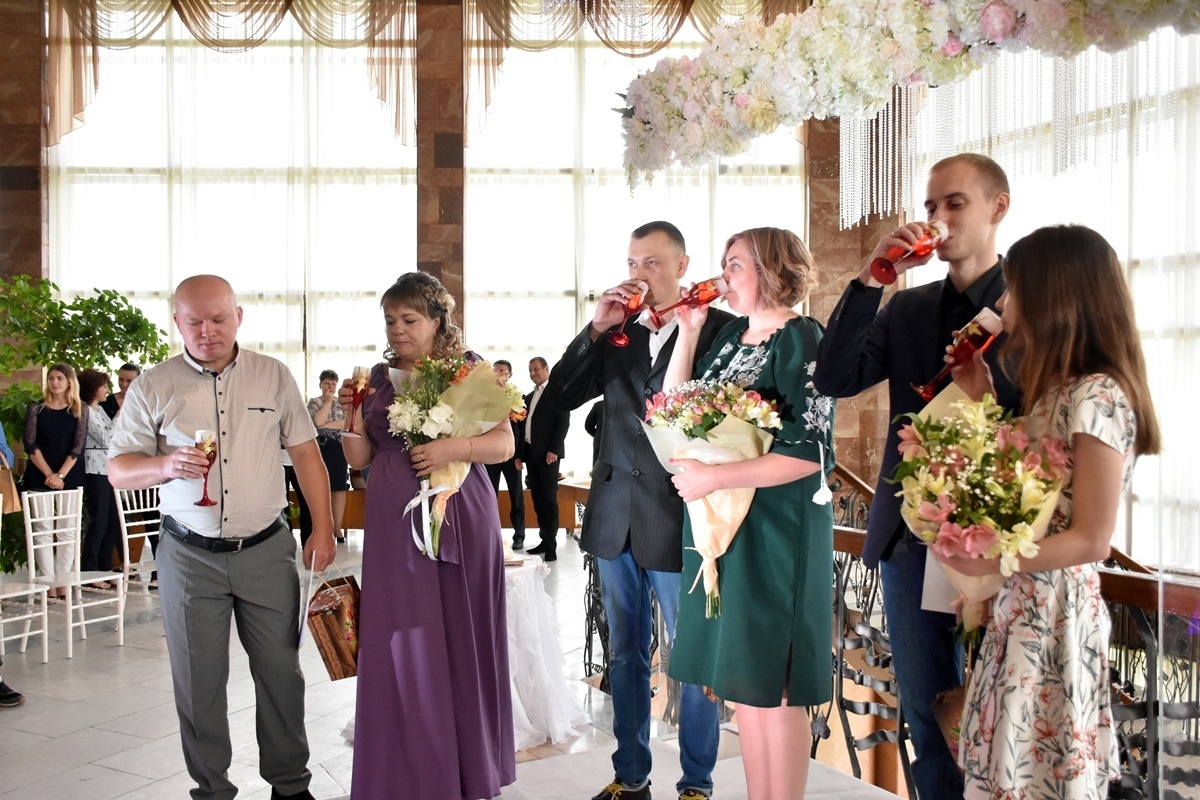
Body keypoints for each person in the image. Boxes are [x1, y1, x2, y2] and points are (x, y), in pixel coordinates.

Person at [813, 152, 1019, 800]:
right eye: (931, 206)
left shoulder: (1031, 304)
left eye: (955, 203)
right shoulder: (906, 308)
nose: (939, 217)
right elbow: (833, 377)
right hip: (909, 538)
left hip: (1003, 539)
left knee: (1003, 722)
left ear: (998, 207)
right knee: (930, 721)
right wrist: (873, 278)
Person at [941, 224, 1160, 798]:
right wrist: (981, 396)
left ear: (1052, 295)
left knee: (1038, 776)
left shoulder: (1098, 395)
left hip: (1056, 606)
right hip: (1022, 599)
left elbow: (1091, 538)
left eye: (1013, 288)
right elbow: (1027, 491)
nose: (1002, 303)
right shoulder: (1055, 390)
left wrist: (994, 559)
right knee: (1006, 773)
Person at [108, 274, 335, 800]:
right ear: (177, 322)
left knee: (281, 673)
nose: (207, 331)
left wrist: (322, 528)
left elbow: (305, 453)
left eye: (218, 319)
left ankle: (290, 785)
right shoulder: (154, 385)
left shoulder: (272, 376)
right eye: (194, 322)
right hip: (189, 554)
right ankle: (211, 789)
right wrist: (166, 465)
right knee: (199, 681)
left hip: (266, 548)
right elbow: (118, 469)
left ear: (239, 317)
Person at [549, 220, 730, 800]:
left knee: (692, 654)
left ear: (682, 264)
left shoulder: (720, 329)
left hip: (680, 515)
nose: (638, 274)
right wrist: (597, 327)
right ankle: (631, 776)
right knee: (624, 655)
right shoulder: (617, 332)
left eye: (651, 262)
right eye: (632, 263)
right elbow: (561, 394)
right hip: (613, 516)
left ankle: (697, 783)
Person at [664, 227, 834, 800]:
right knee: (745, 688)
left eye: (734, 264)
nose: (723, 276)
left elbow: (810, 451)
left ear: (772, 269)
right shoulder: (729, 336)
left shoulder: (802, 336)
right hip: (724, 523)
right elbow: (674, 408)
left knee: (775, 688)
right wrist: (688, 332)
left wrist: (715, 477)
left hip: (777, 528)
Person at [339, 271, 515, 800]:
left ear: (438, 321)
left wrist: (452, 448)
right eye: (390, 320)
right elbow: (361, 458)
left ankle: (465, 770)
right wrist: (351, 418)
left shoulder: (468, 369)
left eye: (409, 319)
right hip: (393, 524)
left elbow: (504, 444)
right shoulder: (378, 377)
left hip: (459, 514)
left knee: (462, 634)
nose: (398, 330)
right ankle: (403, 771)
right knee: (399, 637)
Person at [23, 362, 88, 596]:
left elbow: (78, 446)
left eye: (60, 378)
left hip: (70, 475)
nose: (55, 382)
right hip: (38, 475)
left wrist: (60, 475)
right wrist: (49, 474)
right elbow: (30, 444)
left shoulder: (80, 409)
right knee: (41, 530)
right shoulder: (36, 408)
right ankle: (47, 583)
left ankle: (63, 581)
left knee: (67, 529)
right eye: (51, 378)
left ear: (69, 381)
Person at [522, 356, 569, 561]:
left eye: (536, 369)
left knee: (549, 500)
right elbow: (524, 427)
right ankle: (544, 539)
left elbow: (563, 423)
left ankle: (551, 545)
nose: (533, 373)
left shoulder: (556, 392)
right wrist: (520, 455)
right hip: (531, 454)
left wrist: (554, 450)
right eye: (530, 370)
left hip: (549, 456)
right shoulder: (529, 396)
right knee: (537, 499)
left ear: (546, 369)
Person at [78, 369, 122, 584]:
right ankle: (90, 571)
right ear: (93, 389)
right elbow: (105, 437)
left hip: (108, 469)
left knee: (112, 521)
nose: (107, 390)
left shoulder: (100, 410)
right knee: (99, 521)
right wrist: (119, 417)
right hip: (95, 470)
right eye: (103, 386)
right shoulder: (85, 410)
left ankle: (105, 567)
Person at [485, 359, 526, 550]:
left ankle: (519, 535)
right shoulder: (484, 397)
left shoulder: (517, 396)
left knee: (516, 495)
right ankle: (490, 534)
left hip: (512, 455)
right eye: (496, 370)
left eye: (502, 370)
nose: (499, 373)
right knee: (488, 495)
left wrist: (520, 456)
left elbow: (523, 430)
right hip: (491, 453)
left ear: (509, 374)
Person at [308, 370, 350, 544]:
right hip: (320, 449)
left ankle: (337, 528)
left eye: (333, 384)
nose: (330, 387)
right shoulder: (314, 402)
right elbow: (317, 422)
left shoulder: (342, 404)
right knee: (321, 488)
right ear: (320, 385)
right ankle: (323, 528)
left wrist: (328, 424)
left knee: (339, 488)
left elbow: (347, 423)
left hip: (340, 449)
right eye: (327, 383)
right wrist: (327, 403)